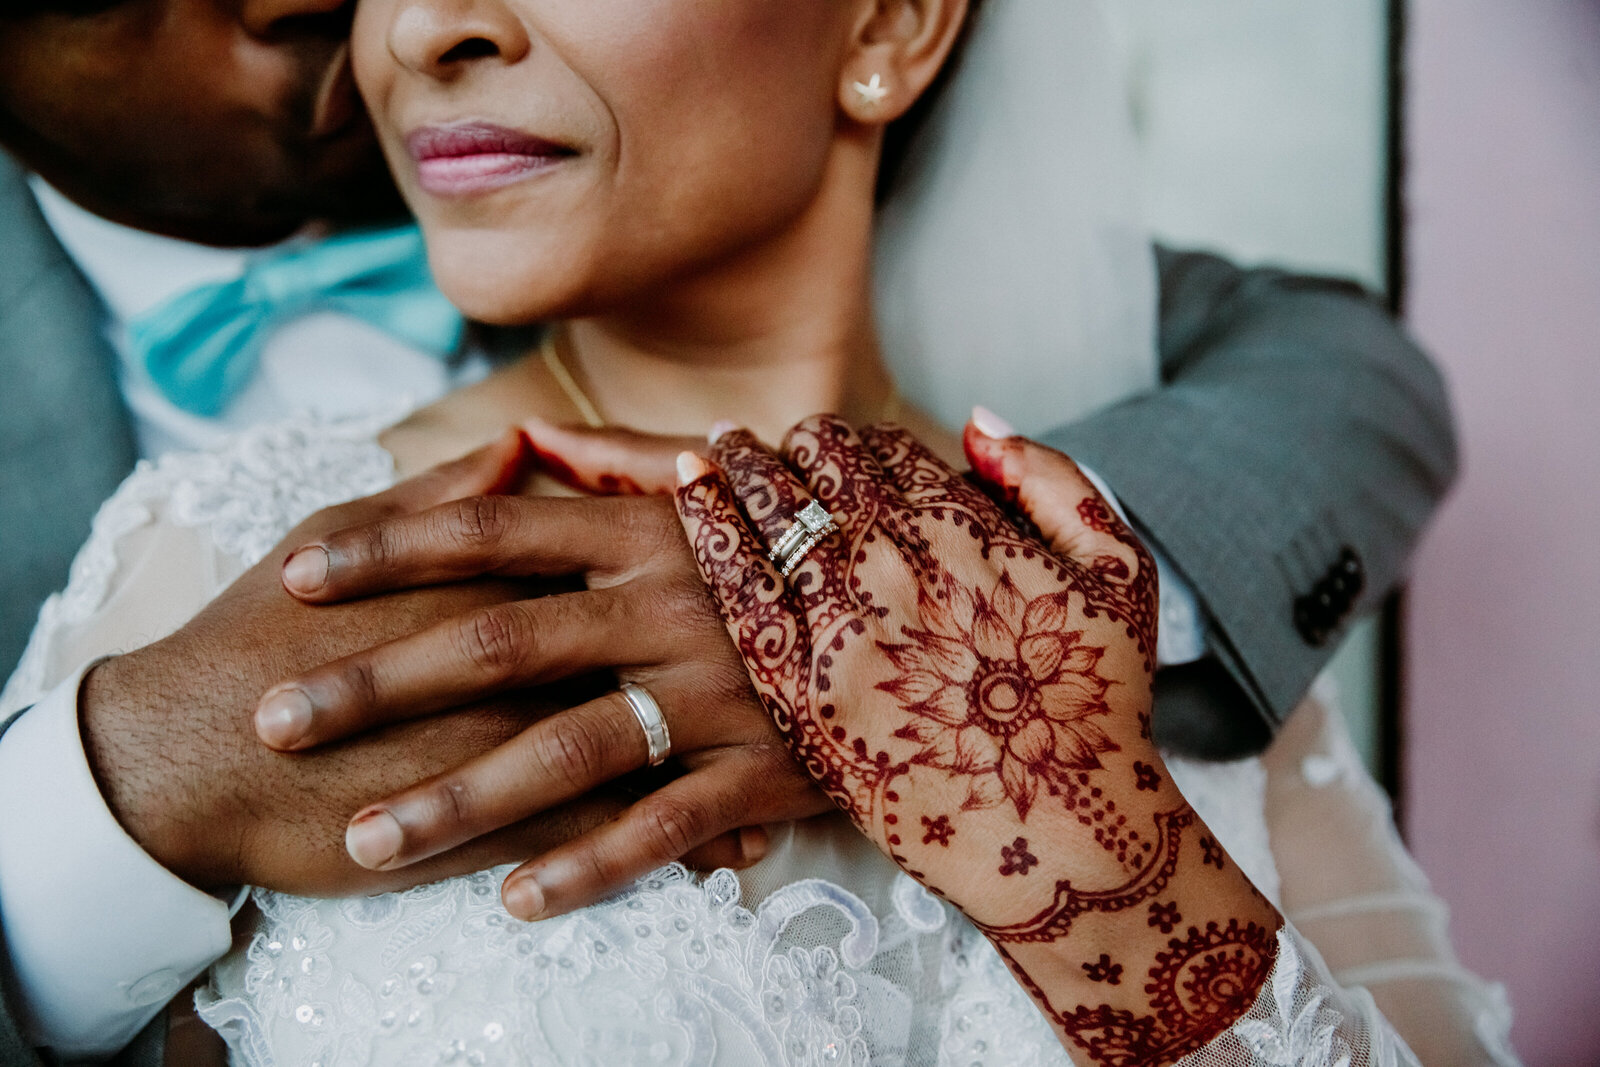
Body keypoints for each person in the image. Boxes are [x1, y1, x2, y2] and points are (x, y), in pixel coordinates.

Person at [0, 0, 1515, 1062]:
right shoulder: (228, 569)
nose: (414, 29)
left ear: (890, 25)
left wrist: (1086, 854)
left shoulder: (1120, 614)